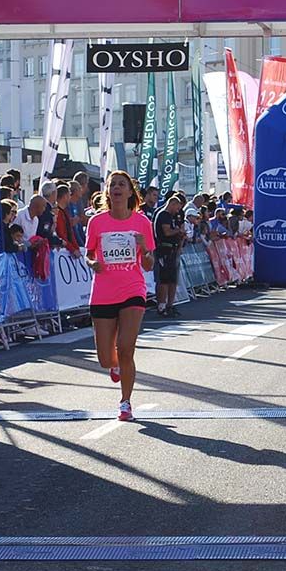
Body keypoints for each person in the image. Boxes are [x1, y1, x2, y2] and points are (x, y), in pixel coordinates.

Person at [84, 170, 156, 422]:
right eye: (112, 184)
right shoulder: (97, 222)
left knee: (126, 347)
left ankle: (125, 402)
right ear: (108, 192)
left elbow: (148, 264)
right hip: (103, 292)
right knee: (105, 359)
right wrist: (93, 263)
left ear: (129, 192)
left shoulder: (142, 223)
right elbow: (89, 253)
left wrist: (144, 248)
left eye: (121, 184)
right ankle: (114, 366)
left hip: (132, 289)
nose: (116, 187)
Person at [154, 196, 186, 318]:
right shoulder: (164, 215)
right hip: (164, 249)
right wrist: (178, 231)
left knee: (173, 279)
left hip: (173, 248)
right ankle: (161, 306)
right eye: (176, 208)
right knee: (164, 280)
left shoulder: (173, 216)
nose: (177, 211)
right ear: (172, 204)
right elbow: (167, 232)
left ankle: (170, 305)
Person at [54, 184, 80, 255]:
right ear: (65, 196)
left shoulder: (64, 212)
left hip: (66, 249)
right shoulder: (58, 213)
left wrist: (76, 247)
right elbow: (61, 234)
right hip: (62, 252)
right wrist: (72, 249)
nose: (70, 197)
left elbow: (70, 233)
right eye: (69, 194)